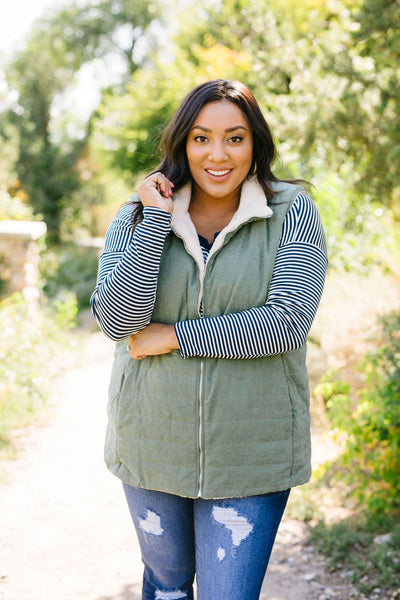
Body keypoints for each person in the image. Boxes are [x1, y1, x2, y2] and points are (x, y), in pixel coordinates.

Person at [90, 79, 328, 600]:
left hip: (252, 451)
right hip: (152, 443)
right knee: (169, 586)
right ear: (182, 144)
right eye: (201, 138)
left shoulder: (290, 212)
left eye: (234, 138)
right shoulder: (135, 214)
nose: (217, 154)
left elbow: (285, 321)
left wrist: (174, 335)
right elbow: (117, 320)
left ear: (255, 144)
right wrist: (154, 223)